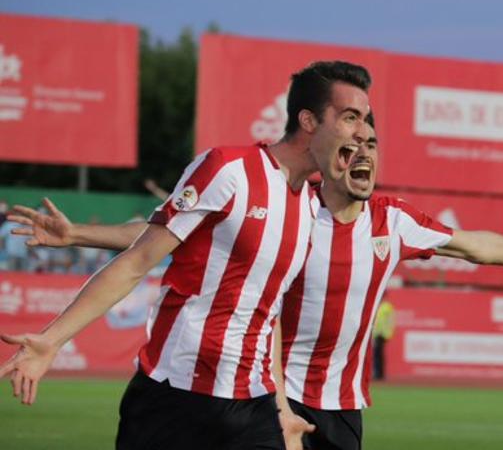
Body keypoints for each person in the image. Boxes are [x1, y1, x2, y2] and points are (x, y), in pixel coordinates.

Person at [13, 120, 503, 450]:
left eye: (371, 146)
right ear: (329, 160)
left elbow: (476, 245)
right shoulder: (291, 210)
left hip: (343, 407)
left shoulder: (392, 221)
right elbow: (162, 235)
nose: (362, 156)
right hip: (269, 396)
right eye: (349, 147)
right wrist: (81, 236)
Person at [0, 60, 377, 450]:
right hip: (175, 399)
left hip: (252, 404)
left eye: (365, 120)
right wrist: (53, 339)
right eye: (350, 117)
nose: (363, 131)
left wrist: (281, 407)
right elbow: (141, 256)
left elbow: (270, 313)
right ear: (309, 121)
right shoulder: (229, 170)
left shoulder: (308, 207)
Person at [371, 292, 395, 381]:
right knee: (378, 354)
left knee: (378, 355)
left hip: (382, 334)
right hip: (377, 333)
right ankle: (379, 373)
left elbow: (390, 320)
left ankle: (379, 373)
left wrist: (388, 333)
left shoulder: (386, 306)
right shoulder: (379, 305)